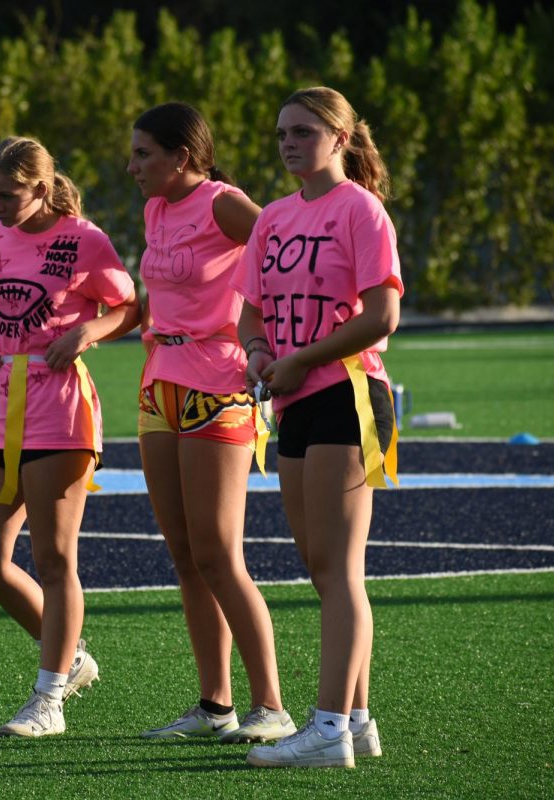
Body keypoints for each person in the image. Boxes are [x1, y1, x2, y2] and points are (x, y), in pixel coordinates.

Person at [234, 86, 402, 769]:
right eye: (281, 133)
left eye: (303, 131)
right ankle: (356, 720)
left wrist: (302, 357)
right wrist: (260, 355)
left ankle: (329, 728)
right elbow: (250, 312)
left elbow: (381, 314)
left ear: (339, 138)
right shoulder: (272, 217)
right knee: (320, 567)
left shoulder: (362, 210)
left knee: (338, 570)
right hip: (296, 400)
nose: (288, 143)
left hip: (349, 396)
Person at [126, 103, 294, 744]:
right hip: (159, 388)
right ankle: (214, 707)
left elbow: (285, 254)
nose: (133, 165)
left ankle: (271, 707)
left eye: (145, 153)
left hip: (220, 387)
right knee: (186, 558)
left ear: (183, 156)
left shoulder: (224, 202)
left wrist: (265, 337)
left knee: (221, 556)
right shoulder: (155, 208)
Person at [0, 136, 138, 737]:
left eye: (8, 195)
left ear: (40, 189)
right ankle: (71, 657)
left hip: (62, 411)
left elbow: (127, 306)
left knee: (55, 558)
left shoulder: (84, 239)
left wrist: (87, 332)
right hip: (4, 406)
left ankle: (49, 697)